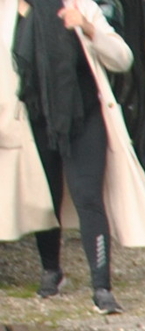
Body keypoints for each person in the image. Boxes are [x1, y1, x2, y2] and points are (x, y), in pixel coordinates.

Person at [12, 0, 145, 313]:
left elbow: (123, 59)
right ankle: (51, 270)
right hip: (35, 118)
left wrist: (88, 26)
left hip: (84, 116)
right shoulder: (10, 12)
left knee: (88, 196)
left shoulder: (82, 7)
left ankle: (101, 287)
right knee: (46, 195)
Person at [0, 0, 57, 252]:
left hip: (41, 109)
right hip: (9, 112)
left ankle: (50, 266)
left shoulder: (44, 10)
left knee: (47, 186)